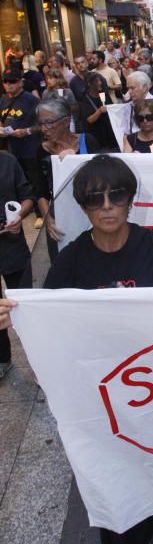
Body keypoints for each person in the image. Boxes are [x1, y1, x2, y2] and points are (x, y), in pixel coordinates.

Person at [3, 154, 153, 544]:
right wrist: (13, 311)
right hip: (106, 386)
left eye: (116, 195)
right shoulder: (74, 258)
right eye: (95, 199)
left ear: (130, 199)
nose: (107, 207)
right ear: (82, 206)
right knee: (121, 457)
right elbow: (45, 312)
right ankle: (131, 516)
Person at [35, 99, 101, 258]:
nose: (44, 129)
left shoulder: (88, 142)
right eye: (41, 123)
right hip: (60, 215)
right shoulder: (42, 151)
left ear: (65, 121)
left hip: (90, 212)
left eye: (49, 123)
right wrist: (48, 220)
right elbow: (40, 190)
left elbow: (103, 177)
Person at [0, 151, 34, 379]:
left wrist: (19, 215)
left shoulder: (8, 161)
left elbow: (28, 197)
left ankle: (38, 364)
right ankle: (2, 359)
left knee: (25, 305)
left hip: (12, 245)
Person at [0, 67, 42, 226]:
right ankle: (20, 210)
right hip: (12, 149)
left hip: (30, 148)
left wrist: (26, 131)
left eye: (12, 81)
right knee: (16, 182)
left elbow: (43, 125)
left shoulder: (32, 100)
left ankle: (39, 212)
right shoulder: (3, 100)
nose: (8, 85)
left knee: (35, 180)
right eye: (5, 81)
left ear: (20, 82)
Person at [79, 72, 118, 151]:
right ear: (89, 84)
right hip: (96, 136)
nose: (100, 83)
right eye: (96, 81)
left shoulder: (104, 94)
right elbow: (89, 120)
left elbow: (112, 109)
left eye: (100, 80)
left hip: (109, 135)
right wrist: (99, 111)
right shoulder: (83, 99)